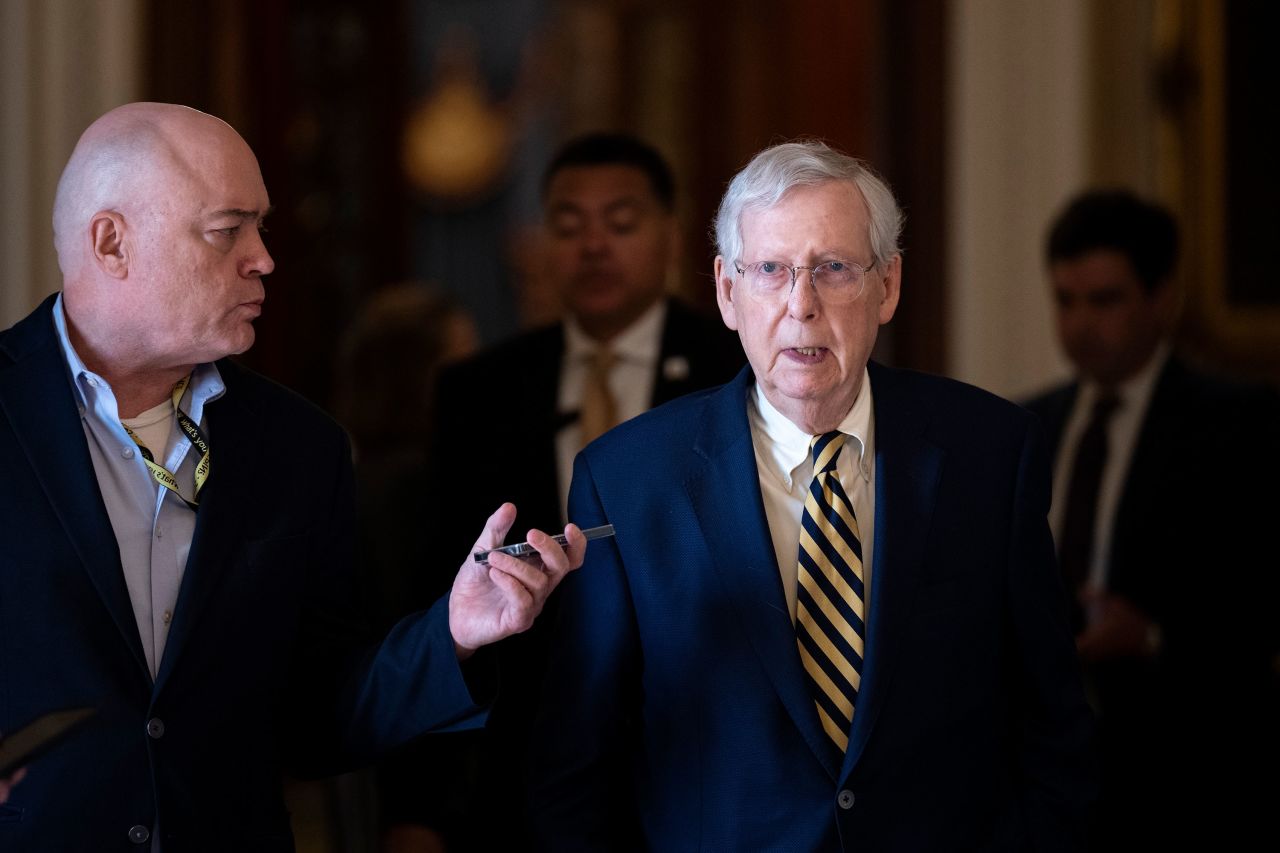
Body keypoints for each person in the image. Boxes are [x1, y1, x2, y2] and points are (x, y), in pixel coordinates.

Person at [0, 102, 584, 852]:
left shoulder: (298, 447)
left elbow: (315, 719)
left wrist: (453, 635)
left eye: (262, 227)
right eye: (227, 229)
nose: (263, 257)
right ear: (113, 242)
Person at [529, 140, 1097, 851]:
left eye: (833, 269)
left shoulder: (989, 451)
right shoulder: (628, 477)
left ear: (887, 285)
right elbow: (576, 761)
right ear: (726, 291)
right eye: (769, 270)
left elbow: (1053, 725)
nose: (802, 305)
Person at [400, 132, 744, 850]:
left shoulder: (734, 371)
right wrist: (416, 807)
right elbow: (432, 586)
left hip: (703, 748)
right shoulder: (479, 389)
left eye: (620, 223)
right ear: (537, 244)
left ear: (673, 237)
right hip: (517, 766)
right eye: (567, 225)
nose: (593, 246)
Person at [1022, 189, 1280, 850]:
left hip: (1186, 772)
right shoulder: (1025, 426)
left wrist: (1155, 637)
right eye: (1065, 300)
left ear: (1161, 298)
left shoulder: (1238, 424)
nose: (1080, 324)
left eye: (1104, 300)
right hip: (1047, 776)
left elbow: (1256, 605)